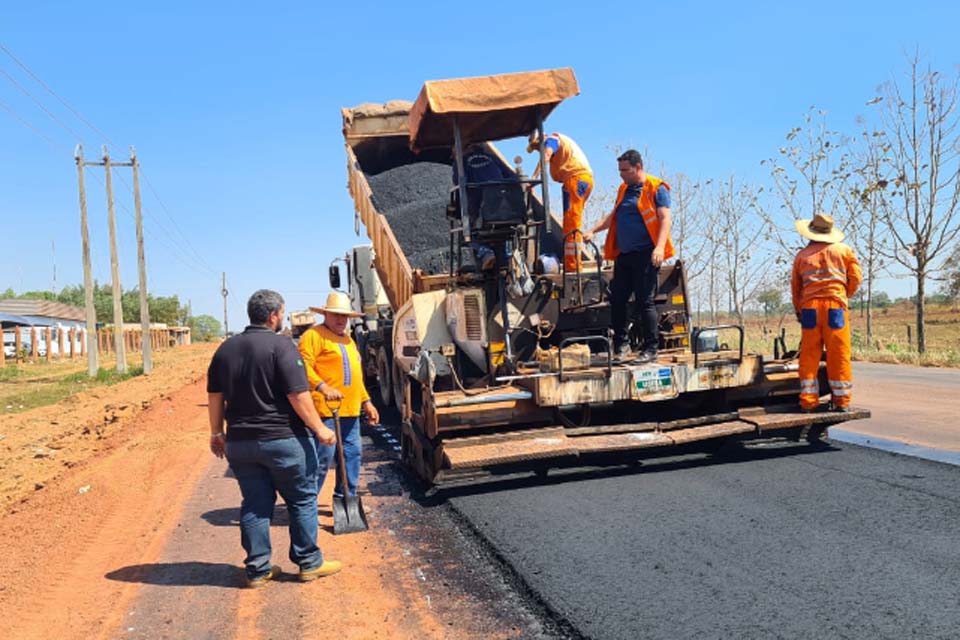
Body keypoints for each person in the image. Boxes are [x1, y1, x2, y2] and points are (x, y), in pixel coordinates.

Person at [207, 289, 341, 588]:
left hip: (240, 444)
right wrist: (320, 429)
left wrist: (217, 433)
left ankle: (258, 569)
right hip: (283, 440)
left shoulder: (225, 350)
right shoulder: (281, 347)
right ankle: (309, 563)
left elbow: (214, 396)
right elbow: (297, 395)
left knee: (255, 504)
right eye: (282, 312)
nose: (283, 317)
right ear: (273, 315)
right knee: (302, 499)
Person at [584, 149, 673, 363]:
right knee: (618, 299)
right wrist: (592, 230)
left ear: (638, 167)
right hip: (624, 255)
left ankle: (651, 349)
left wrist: (659, 248)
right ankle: (621, 346)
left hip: (646, 254)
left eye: (625, 170)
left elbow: (665, 219)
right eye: (620, 170)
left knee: (645, 301)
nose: (621, 174)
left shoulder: (656, 188)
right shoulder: (624, 189)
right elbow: (613, 216)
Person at [298, 291, 380, 500]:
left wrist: (367, 401)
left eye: (344, 316)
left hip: (350, 412)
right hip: (325, 412)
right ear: (325, 314)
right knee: (323, 458)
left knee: (352, 455)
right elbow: (302, 367)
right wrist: (323, 387)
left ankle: (346, 498)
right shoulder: (313, 336)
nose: (341, 320)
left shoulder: (349, 341)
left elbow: (356, 377)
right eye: (336, 315)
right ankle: (306, 504)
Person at [791, 213, 862, 413]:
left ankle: (808, 401)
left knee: (809, 354)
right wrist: (843, 295)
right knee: (838, 354)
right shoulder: (845, 251)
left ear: (811, 232)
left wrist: (799, 310)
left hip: (809, 308)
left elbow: (796, 288)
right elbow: (856, 278)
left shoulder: (802, 256)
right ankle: (841, 401)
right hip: (835, 308)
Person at [526, 131, 594, 272]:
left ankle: (573, 268)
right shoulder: (557, 142)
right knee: (571, 222)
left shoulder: (552, 140)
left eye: (537, 146)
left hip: (575, 180)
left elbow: (546, 155)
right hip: (578, 180)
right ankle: (572, 263)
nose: (538, 150)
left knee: (571, 225)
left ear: (542, 139)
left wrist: (533, 180)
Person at [453, 143, 507, 271]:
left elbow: (459, 182)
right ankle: (505, 259)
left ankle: (485, 252)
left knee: (467, 231)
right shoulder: (492, 158)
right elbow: (511, 176)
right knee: (504, 232)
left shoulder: (462, 162)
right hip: (504, 209)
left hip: (482, 210)